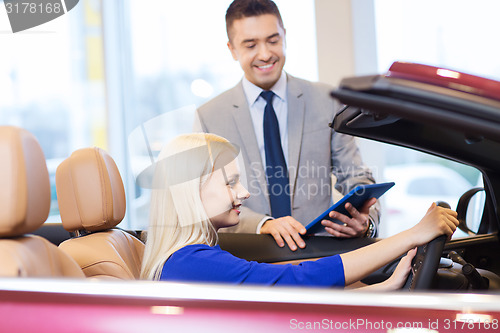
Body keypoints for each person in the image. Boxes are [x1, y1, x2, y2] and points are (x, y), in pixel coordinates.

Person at [140, 133, 459, 290]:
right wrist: (413, 235)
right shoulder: (193, 264)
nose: (244, 193)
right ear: (190, 192)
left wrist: (384, 288)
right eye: (231, 183)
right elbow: (298, 282)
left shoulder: (194, 257)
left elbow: (294, 305)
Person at [194, 0, 379, 251]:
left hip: (321, 256)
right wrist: (262, 224)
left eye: (273, 40)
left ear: (285, 37)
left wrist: (366, 222)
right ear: (232, 49)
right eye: (250, 45)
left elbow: (355, 174)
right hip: (248, 256)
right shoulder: (210, 116)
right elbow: (207, 201)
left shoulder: (328, 101)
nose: (265, 54)